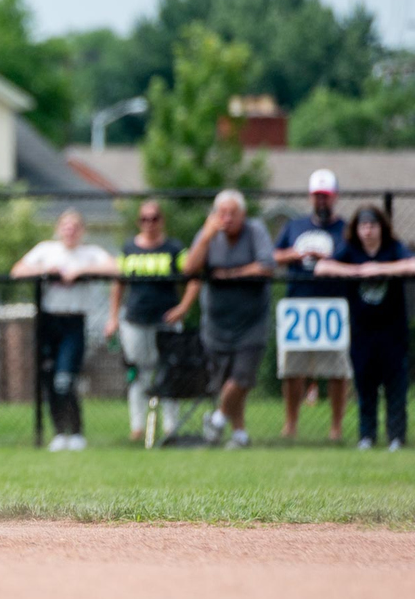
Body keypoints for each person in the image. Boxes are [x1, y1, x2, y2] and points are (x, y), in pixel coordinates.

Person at [11, 209, 117, 451]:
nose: (70, 231)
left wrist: (82, 271)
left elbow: (114, 269)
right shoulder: (46, 251)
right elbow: (17, 271)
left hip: (74, 323)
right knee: (50, 379)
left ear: (82, 231)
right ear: (59, 229)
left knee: (65, 380)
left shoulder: (89, 253)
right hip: (48, 322)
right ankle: (59, 433)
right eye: (66, 226)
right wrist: (48, 271)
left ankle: (77, 432)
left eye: (75, 227)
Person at [314, 206, 415, 451]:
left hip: (393, 332)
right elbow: (322, 268)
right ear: (356, 229)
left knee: (395, 386)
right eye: (363, 226)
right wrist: (356, 271)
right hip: (362, 332)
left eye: (373, 225)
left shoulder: (393, 249)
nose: (368, 230)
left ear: (382, 227)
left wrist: (381, 268)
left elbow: (411, 265)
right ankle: (366, 436)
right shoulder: (351, 251)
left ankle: (396, 437)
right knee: (365, 385)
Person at [184, 190, 275, 450]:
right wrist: (205, 237)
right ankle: (239, 434)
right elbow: (190, 269)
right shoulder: (208, 235)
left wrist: (232, 273)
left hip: (251, 322)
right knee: (227, 381)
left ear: (243, 215)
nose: (226, 218)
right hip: (216, 323)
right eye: (221, 213)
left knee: (242, 376)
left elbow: (267, 264)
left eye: (232, 213)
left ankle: (217, 419)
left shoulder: (255, 230)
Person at [104, 200, 200, 442]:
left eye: (154, 218)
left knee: (169, 373)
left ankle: (170, 427)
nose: (149, 223)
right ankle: (138, 427)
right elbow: (118, 284)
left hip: (166, 321)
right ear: (139, 222)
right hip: (135, 321)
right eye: (144, 219)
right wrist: (113, 317)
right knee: (138, 374)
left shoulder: (173, 248)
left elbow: (194, 276)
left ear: (162, 220)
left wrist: (183, 308)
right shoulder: (129, 249)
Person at [273, 169, 350, 441]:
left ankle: (336, 428)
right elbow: (273, 255)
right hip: (298, 307)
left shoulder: (346, 230)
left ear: (335, 197)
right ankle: (290, 425)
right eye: (317, 196)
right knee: (294, 369)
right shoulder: (294, 226)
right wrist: (294, 254)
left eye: (326, 196)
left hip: (333, 307)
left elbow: (354, 260)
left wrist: (327, 260)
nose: (321, 201)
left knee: (337, 370)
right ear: (310, 197)